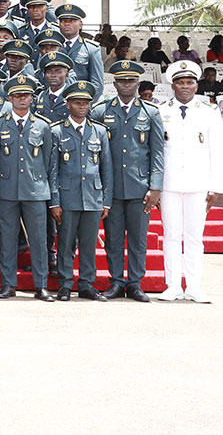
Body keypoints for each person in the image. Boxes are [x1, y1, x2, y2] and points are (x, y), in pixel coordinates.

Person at [90, 60, 164, 302]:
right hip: (110, 188)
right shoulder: (101, 111)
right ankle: (116, 281)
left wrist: (155, 186)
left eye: (131, 81)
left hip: (139, 186)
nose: (126, 85)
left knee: (138, 238)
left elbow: (157, 152)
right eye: (121, 80)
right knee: (112, 239)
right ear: (115, 83)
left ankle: (135, 283)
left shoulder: (150, 112)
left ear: (137, 83)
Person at [155, 60, 223, 302]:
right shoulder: (160, 111)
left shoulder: (210, 112)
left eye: (189, 83)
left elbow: (217, 150)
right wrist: (155, 187)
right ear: (172, 85)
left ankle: (194, 286)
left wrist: (215, 186)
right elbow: (156, 152)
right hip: (169, 183)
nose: (185, 87)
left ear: (197, 86)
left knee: (195, 236)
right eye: (180, 83)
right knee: (171, 234)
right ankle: (172, 285)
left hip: (198, 183)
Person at [0, 75, 57, 301]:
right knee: (7, 239)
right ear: (9, 98)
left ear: (32, 98)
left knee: (38, 240)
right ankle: (8, 284)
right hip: (6, 189)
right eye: (16, 95)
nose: (21, 99)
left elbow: (47, 161)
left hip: (35, 189)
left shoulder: (43, 126)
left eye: (25, 95)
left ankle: (41, 285)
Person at [48, 80, 112, 301]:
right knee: (65, 243)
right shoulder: (56, 131)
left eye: (85, 103)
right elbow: (53, 170)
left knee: (88, 243)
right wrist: (54, 202)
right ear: (68, 105)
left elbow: (107, 169)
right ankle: (65, 284)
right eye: (77, 102)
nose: (82, 106)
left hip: (92, 197)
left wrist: (106, 201)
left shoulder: (100, 132)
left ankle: (86, 284)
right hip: (67, 196)